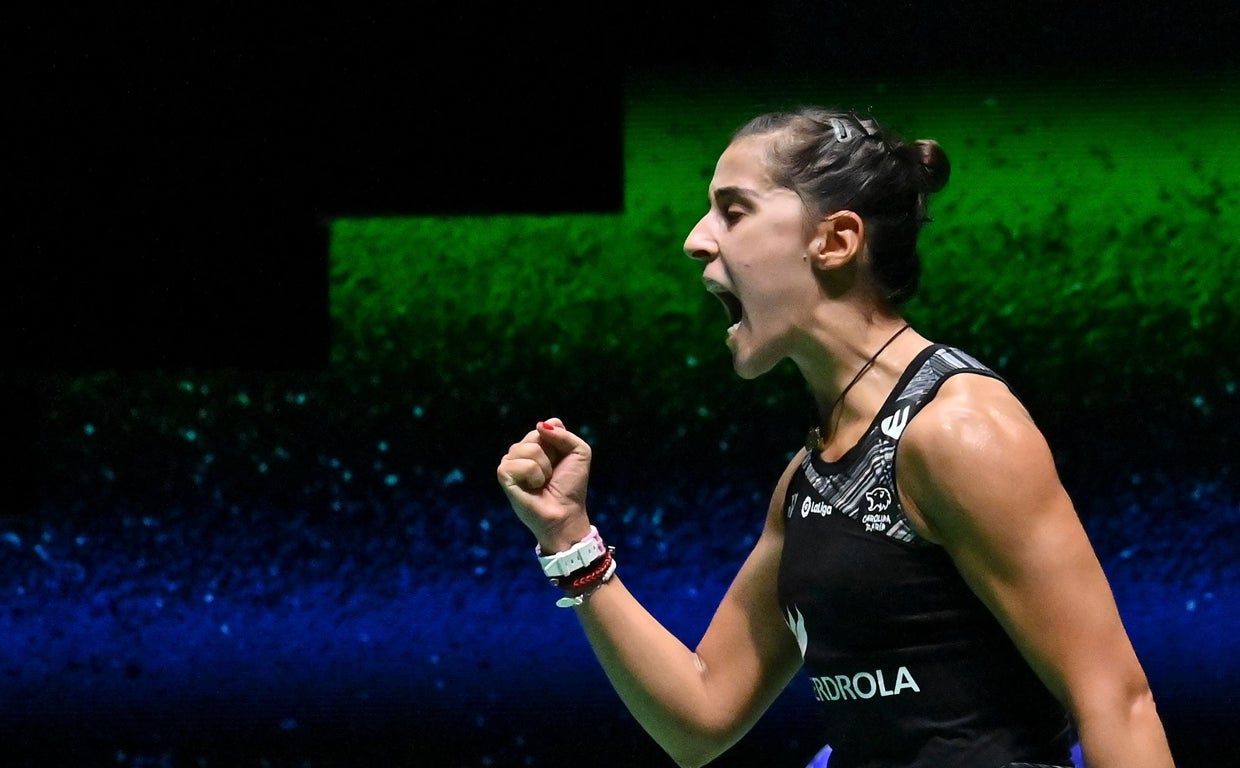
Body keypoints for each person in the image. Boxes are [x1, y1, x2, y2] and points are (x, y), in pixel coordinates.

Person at [496, 107, 1175, 767]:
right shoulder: (809, 479)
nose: (696, 239)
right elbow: (700, 720)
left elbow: (1117, 703)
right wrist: (569, 540)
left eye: (733, 211)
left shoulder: (959, 433)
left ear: (836, 239)